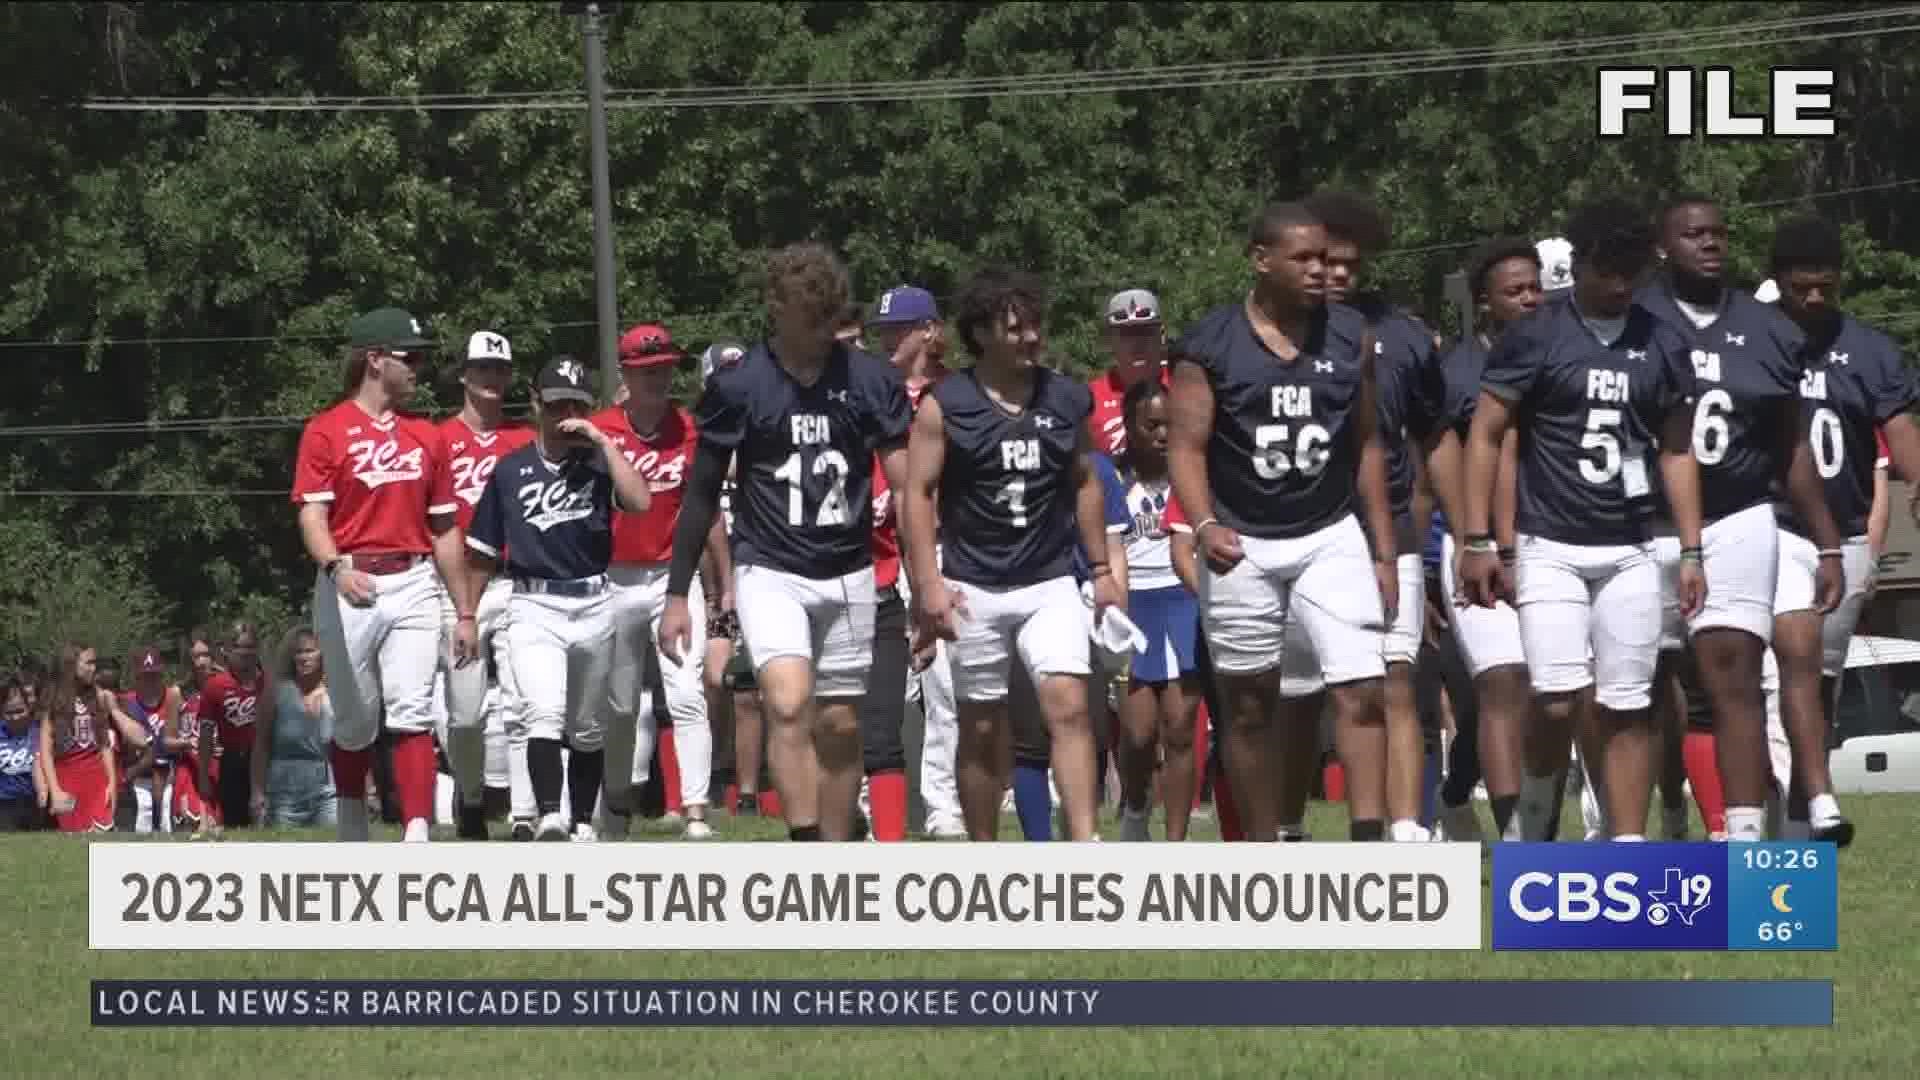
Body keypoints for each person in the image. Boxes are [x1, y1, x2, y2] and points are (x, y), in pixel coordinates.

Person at [1457, 198, 1704, 843]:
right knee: (1557, 696)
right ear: (1582, 264)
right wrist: (1481, 539)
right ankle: (1535, 821)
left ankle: (1626, 846)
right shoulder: (1537, 335)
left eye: (1631, 272)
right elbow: (1486, 435)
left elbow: (1678, 448)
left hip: (1631, 543)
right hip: (1549, 542)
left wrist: (1694, 550)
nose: (1620, 285)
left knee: (1627, 704)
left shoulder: (1662, 339)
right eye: (1607, 271)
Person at [659, 243, 912, 842]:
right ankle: (808, 848)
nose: (822, 331)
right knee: (790, 701)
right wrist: (677, 593)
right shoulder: (742, 384)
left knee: (841, 722)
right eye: (810, 316)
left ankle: (838, 838)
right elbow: (699, 495)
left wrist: (929, 577)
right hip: (770, 565)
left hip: (850, 568)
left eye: (830, 317)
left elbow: (909, 488)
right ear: (778, 309)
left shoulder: (869, 379)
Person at [1167, 201, 1398, 842]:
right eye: (1303, 258)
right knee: (1247, 708)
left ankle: (1371, 844)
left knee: (1363, 687)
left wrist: (1382, 550)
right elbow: (1185, 446)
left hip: (1328, 531)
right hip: (1242, 537)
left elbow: (1368, 443)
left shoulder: (1354, 336)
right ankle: (1268, 854)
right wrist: (1205, 522)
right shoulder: (1210, 343)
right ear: (1261, 260)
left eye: (1325, 257)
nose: (1320, 269)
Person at [1635, 194, 1846, 844]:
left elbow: (1794, 449)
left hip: (1736, 516)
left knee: (1734, 677)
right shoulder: (1634, 317)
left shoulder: (1770, 328)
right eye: (1694, 233)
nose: (1710, 243)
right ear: (1664, 246)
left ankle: (1746, 837)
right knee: (1625, 690)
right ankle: (1613, 836)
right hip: (1635, 522)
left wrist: (1828, 542)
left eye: (1719, 233)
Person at [902, 266, 1119, 842]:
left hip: (1048, 580)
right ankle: (983, 855)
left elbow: (1085, 481)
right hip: (974, 582)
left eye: (1034, 326)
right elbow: (918, 495)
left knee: (1069, 705)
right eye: (1015, 328)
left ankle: (1084, 845)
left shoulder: (1066, 398)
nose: (1030, 338)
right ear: (981, 334)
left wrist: (1100, 569)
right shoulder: (945, 405)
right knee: (979, 726)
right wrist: (928, 583)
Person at [293, 306, 478, 842]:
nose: (418, 367)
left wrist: (464, 609)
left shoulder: (429, 436)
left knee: (412, 707)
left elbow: (445, 530)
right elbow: (311, 514)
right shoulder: (327, 431)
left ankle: (417, 834)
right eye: (409, 357)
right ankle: (353, 826)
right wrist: (335, 567)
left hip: (415, 580)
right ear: (375, 360)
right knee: (354, 721)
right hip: (350, 582)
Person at [1306, 189, 1456, 843]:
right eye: (1327, 261)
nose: (1339, 274)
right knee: (1306, 695)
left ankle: (1404, 831)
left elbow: (1428, 446)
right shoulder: (1271, 331)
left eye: (1351, 264)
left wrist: (1416, 547)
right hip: (1300, 535)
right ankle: (1285, 830)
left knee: (1397, 682)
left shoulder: (1401, 334)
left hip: (1384, 532)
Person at [1765, 214, 1920, 844]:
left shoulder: (1872, 350)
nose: (1814, 299)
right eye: (1802, 287)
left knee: (1820, 678)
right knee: (1788, 662)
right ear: (1780, 281)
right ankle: (1794, 802)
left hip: (1850, 529)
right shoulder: (1756, 341)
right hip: (1773, 525)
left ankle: (1803, 807)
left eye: (1826, 287)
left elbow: (1900, 424)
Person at [464, 354, 653, 841]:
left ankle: (583, 821)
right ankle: (549, 815)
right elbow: (482, 553)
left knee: (589, 727)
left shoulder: (597, 464)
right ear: (535, 404)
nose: (564, 416)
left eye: (575, 406)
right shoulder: (510, 471)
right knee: (543, 712)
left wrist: (604, 442)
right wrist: (467, 614)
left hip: (594, 600)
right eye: (554, 405)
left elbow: (640, 501)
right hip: (533, 603)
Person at [593, 323, 728, 841]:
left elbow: (705, 511)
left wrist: (720, 583)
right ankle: (616, 807)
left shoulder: (689, 430)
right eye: (647, 369)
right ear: (625, 372)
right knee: (622, 705)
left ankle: (696, 809)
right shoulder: (600, 429)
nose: (658, 377)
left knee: (687, 693)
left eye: (666, 367)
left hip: (673, 576)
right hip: (613, 580)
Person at [1429, 236, 1544, 842]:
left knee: (1553, 694)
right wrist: (1446, 553)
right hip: (1474, 546)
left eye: (1534, 286)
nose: (1529, 298)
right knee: (1502, 681)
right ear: (1485, 301)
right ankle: (1516, 839)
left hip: (1560, 541)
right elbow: (1433, 468)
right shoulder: (1456, 373)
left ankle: (1461, 792)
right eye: (1514, 290)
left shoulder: (1568, 353)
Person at [430, 329, 536, 839]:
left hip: (517, 582)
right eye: (483, 369)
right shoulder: (439, 440)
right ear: (465, 375)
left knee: (522, 702)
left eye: (501, 369)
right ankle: (470, 798)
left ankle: (523, 813)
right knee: (466, 711)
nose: (492, 378)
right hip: (459, 585)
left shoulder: (525, 439)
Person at [864, 285, 961, 838]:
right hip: (876, 548)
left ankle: (942, 804)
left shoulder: (956, 390)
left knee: (944, 683)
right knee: (883, 688)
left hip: (941, 544)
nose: (888, 337)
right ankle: (867, 788)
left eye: (899, 327)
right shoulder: (872, 388)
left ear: (928, 329)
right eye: (883, 329)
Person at [1111, 379, 1201, 841]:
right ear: (1129, 426)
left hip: (1183, 599)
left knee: (1181, 726)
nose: (1163, 435)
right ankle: (1136, 805)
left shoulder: (1193, 473)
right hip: (1134, 605)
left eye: (1170, 425)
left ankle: (1177, 843)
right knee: (1140, 734)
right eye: (1152, 426)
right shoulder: (1112, 476)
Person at [39, 643, 144, 832]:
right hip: (67, 778)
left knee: (101, 836)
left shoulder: (98, 695)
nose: (93, 668)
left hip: (96, 777)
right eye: (88, 663)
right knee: (72, 841)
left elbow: (104, 745)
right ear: (71, 664)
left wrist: (111, 783)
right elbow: (45, 751)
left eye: (95, 663)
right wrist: (54, 790)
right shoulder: (54, 698)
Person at [252, 627, 338, 828]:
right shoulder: (275, 693)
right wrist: (257, 792)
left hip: (329, 792)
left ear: (323, 653)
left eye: (310, 651)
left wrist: (366, 790)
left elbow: (351, 744)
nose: (304, 657)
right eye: (298, 652)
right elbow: (261, 746)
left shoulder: (336, 694)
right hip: (283, 795)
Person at [193, 623, 267, 829]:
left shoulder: (269, 683)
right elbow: (206, 736)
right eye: (238, 646)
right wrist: (203, 775)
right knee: (237, 828)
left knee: (268, 827)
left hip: (265, 762)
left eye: (250, 646)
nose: (245, 652)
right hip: (232, 763)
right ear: (226, 650)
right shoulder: (215, 686)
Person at [1090, 288, 1171, 455]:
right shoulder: (1087, 399)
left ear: (1161, 335)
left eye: (1145, 331)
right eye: (1126, 334)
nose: (1137, 343)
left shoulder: (1186, 388)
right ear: (1109, 340)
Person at [122, 647, 183, 834]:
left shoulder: (172, 698)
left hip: (168, 776)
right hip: (138, 777)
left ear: (161, 674)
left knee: (166, 826)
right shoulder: (126, 702)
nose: (150, 681)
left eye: (154, 675)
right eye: (145, 676)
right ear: (136, 677)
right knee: (140, 828)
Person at [1, 675, 46, 831]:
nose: (15, 717)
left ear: (29, 707)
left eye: (20, 711)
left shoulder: (40, 731)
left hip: (35, 801)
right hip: (4, 804)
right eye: (9, 713)